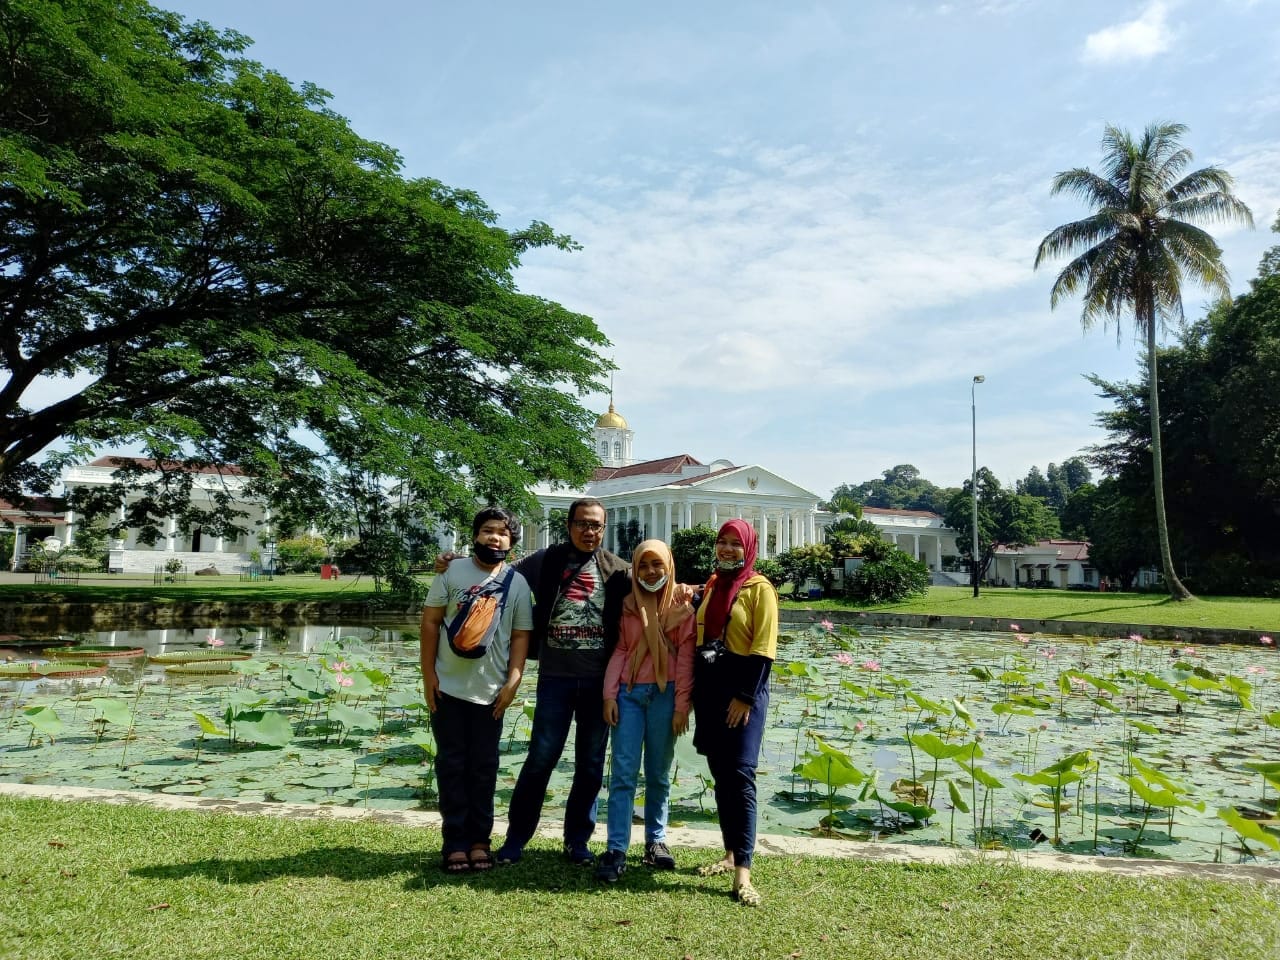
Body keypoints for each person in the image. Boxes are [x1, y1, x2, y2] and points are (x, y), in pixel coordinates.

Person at [496, 497, 632, 865]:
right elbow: (499, 573)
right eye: (583, 524)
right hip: (555, 678)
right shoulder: (546, 561)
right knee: (541, 758)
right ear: (569, 525)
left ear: (604, 529)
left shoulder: (617, 570)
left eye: (596, 526)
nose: (589, 531)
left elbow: (657, 586)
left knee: (589, 764)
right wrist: (454, 564)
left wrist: (692, 590)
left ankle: (577, 841)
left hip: (598, 684)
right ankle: (516, 838)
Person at [419, 507, 532, 873]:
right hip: (447, 688)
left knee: (484, 768)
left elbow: (520, 636)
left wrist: (513, 681)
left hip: (491, 693)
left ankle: (481, 840)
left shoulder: (517, 583)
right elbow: (431, 623)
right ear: (475, 536)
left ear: (512, 541)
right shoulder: (451, 571)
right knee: (451, 765)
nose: (494, 538)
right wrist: (428, 677)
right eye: (487, 531)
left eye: (502, 532)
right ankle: (454, 841)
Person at [595, 539, 696, 883]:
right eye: (643, 566)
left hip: (665, 697)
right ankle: (616, 848)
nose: (651, 572)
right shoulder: (628, 606)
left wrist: (682, 705)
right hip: (629, 696)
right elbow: (622, 651)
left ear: (669, 566)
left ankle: (656, 841)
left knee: (658, 773)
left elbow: (685, 661)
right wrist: (610, 695)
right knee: (623, 773)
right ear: (634, 570)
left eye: (657, 565)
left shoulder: (682, 607)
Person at [692, 518, 778, 907]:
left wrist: (745, 696)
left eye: (735, 544)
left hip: (743, 691)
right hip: (710, 691)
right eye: (722, 542)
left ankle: (743, 872)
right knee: (720, 774)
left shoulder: (760, 590)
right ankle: (728, 855)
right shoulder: (712, 585)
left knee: (741, 774)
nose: (727, 549)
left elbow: (763, 649)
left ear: (749, 548)